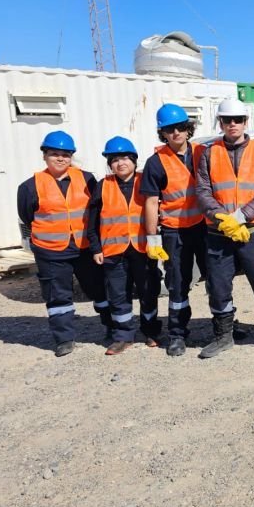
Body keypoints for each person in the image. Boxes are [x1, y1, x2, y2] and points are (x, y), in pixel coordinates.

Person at [195, 99, 254, 358]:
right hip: (218, 232)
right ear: (220, 122)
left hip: (251, 232)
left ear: (245, 122)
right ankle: (223, 336)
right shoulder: (209, 153)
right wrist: (223, 218)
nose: (232, 124)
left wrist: (240, 216)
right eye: (227, 120)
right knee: (218, 286)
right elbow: (202, 191)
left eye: (237, 119)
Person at [17, 131, 112, 357]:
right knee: (58, 296)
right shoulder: (29, 186)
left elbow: (97, 210)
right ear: (44, 156)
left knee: (99, 289)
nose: (60, 158)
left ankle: (112, 327)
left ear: (71, 157)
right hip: (51, 251)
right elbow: (27, 216)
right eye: (54, 154)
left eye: (66, 155)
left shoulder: (87, 179)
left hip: (84, 248)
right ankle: (64, 339)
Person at [140, 104, 208, 357]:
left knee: (217, 279)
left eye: (180, 127)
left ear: (188, 128)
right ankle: (177, 333)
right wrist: (152, 238)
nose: (176, 132)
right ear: (163, 133)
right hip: (174, 231)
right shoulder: (156, 163)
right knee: (178, 283)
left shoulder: (204, 153)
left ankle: (224, 326)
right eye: (170, 129)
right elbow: (150, 202)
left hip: (205, 227)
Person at [87, 136, 162, 355]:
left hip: (143, 249)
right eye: (115, 160)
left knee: (148, 291)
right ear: (110, 164)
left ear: (134, 160)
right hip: (113, 251)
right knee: (118, 295)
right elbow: (92, 220)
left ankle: (151, 331)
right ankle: (123, 336)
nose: (121, 163)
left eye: (125, 158)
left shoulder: (146, 181)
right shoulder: (103, 186)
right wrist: (95, 248)